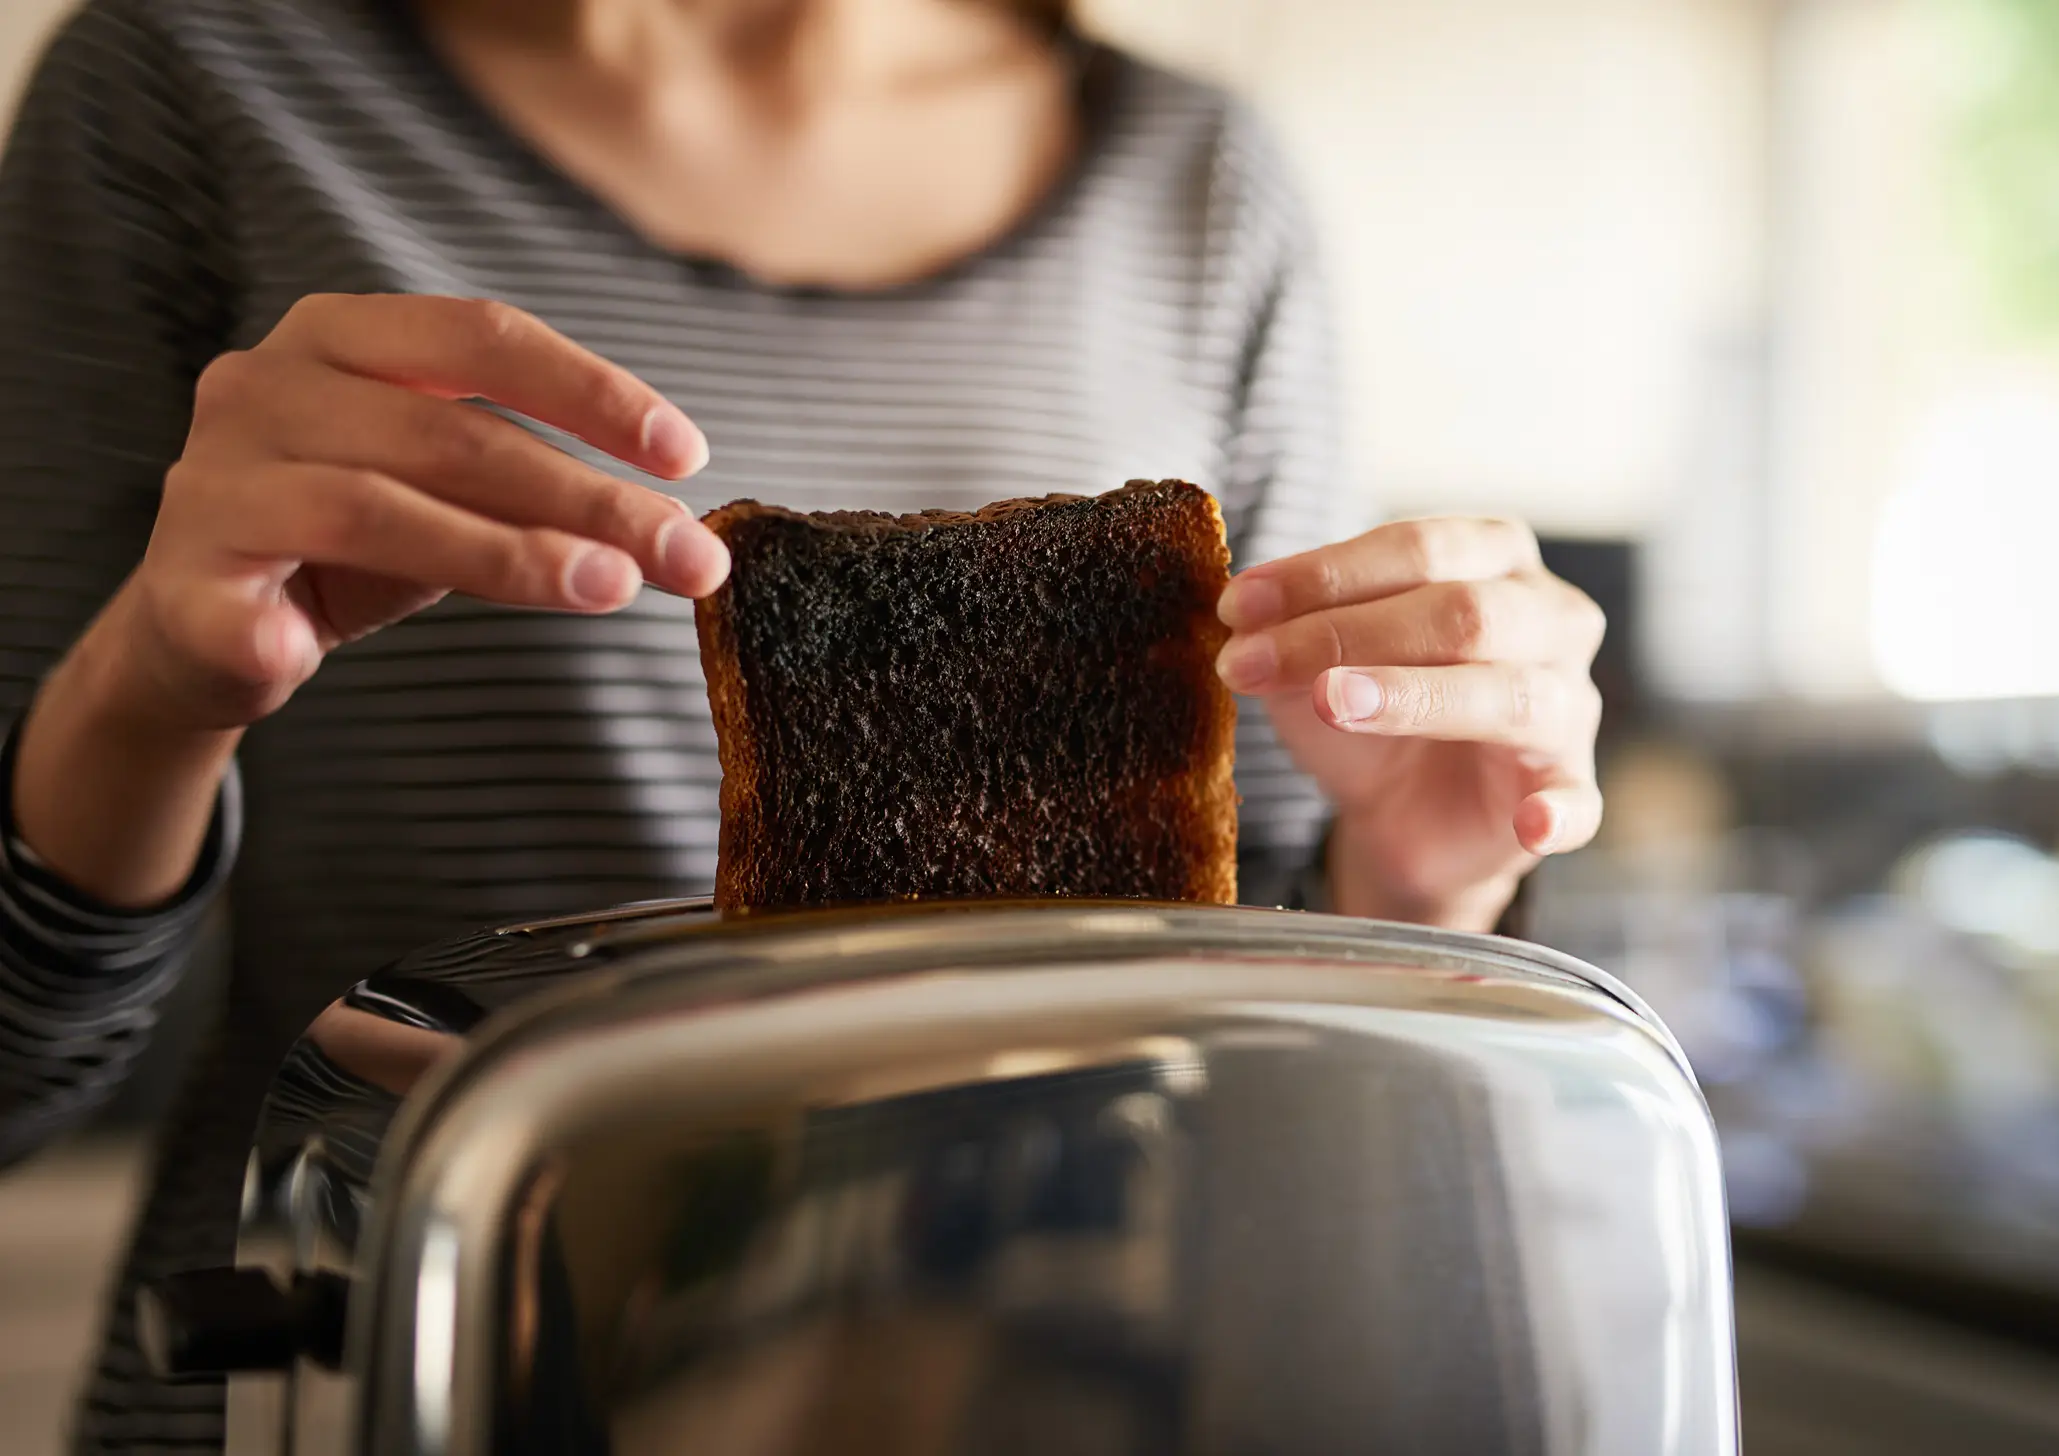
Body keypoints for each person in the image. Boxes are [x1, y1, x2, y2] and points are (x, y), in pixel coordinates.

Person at [0, 0, 1605, 1448]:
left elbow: (1249, 1094)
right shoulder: (193, 79)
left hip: (1024, 1403)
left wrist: (1419, 891)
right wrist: (154, 688)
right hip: (375, 1373)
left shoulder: (1200, 183)